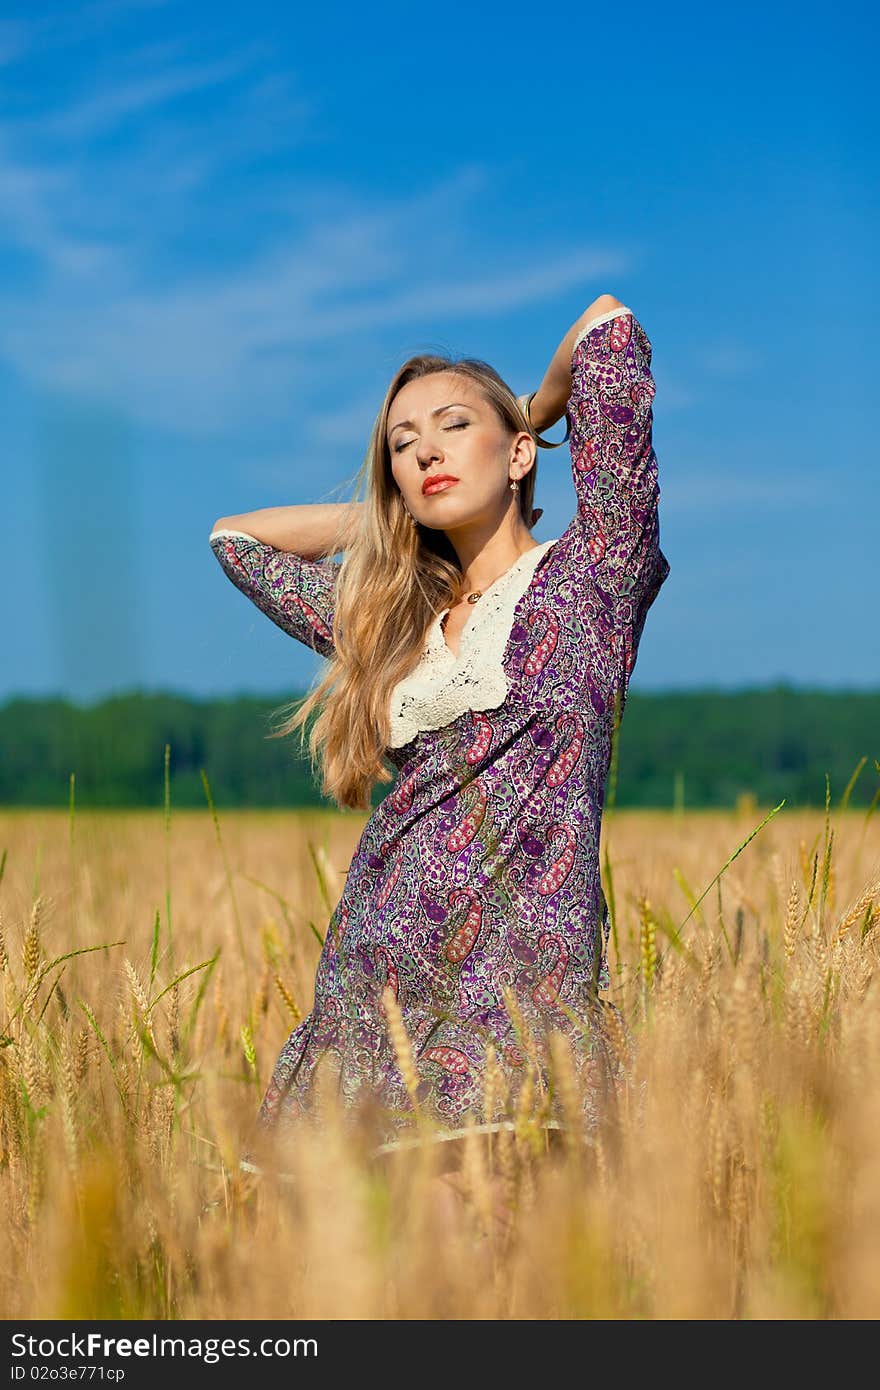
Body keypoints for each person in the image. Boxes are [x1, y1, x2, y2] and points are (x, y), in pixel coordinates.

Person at [209, 293, 670, 1168]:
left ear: (521, 450)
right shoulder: (393, 623)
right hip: (372, 990)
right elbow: (237, 542)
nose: (425, 450)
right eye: (402, 445)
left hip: (522, 996)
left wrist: (530, 410)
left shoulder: (593, 576)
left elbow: (609, 323)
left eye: (455, 426)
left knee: (514, 1261)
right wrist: (391, 522)